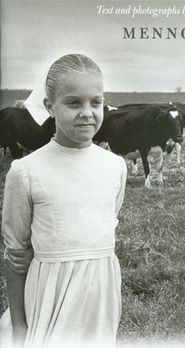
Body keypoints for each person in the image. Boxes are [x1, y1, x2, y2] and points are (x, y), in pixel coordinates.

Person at [1, 54, 127, 348]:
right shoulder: (26, 171)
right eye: (73, 103)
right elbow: (16, 255)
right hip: (49, 294)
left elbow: (107, 222)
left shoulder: (115, 166)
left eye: (96, 102)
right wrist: (19, 325)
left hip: (100, 294)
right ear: (49, 107)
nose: (87, 112)